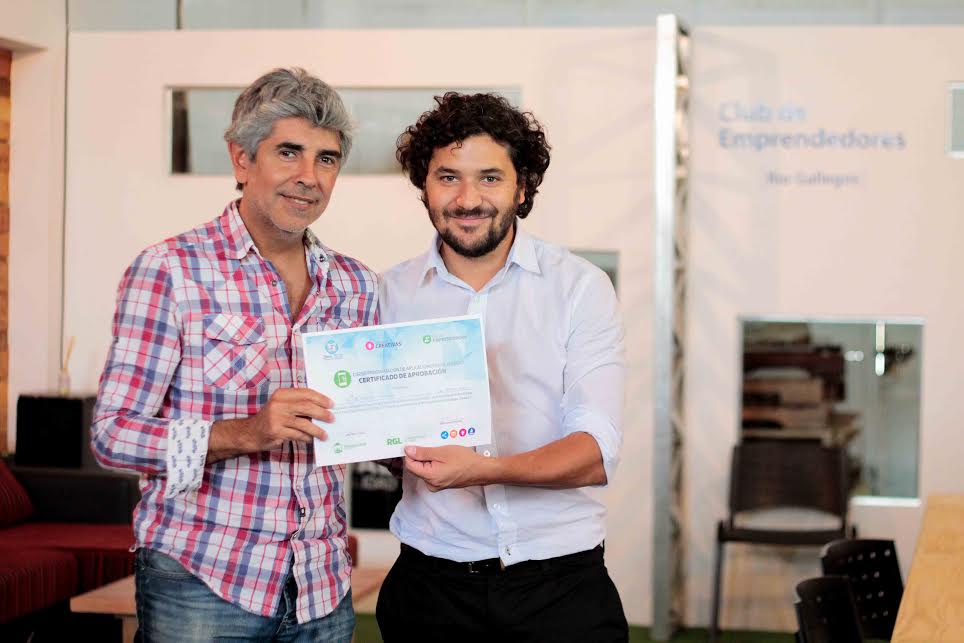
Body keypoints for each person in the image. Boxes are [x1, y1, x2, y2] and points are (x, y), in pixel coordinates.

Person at [91, 68, 377, 642]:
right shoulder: (170, 270)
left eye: (326, 159)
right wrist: (248, 432)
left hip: (321, 585)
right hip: (202, 580)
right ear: (242, 159)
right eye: (289, 152)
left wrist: (426, 433)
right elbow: (113, 435)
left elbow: (367, 424)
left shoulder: (356, 285)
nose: (309, 176)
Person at [375, 92, 628, 642]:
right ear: (424, 186)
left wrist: (481, 469)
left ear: (522, 187)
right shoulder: (387, 293)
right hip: (428, 584)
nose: (468, 199)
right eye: (448, 177)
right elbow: (385, 441)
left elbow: (595, 453)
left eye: (489, 178)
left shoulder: (580, 288)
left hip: (560, 586)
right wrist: (384, 443)